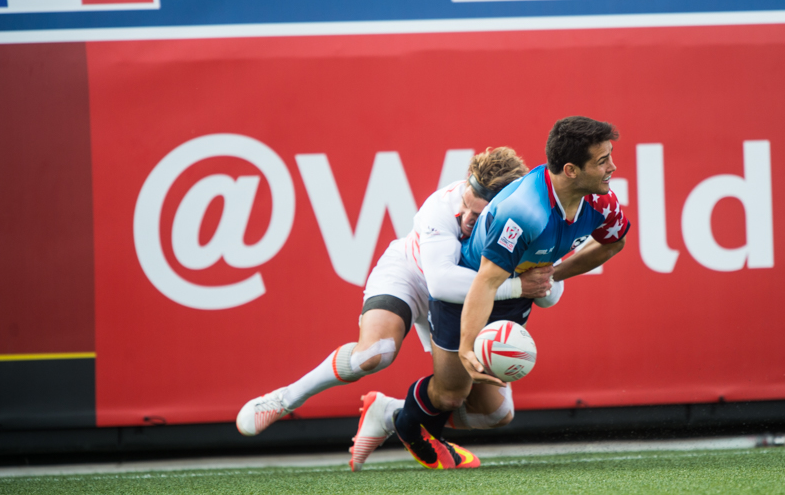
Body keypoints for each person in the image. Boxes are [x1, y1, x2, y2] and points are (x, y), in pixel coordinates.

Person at [235, 147, 563, 471]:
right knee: (375, 352)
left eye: (477, 217)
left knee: (495, 414)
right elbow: (440, 283)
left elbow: (551, 293)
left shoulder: (529, 220)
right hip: (412, 275)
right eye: (466, 205)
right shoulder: (440, 205)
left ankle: (391, 413)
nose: (465, 219)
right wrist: (521, 285)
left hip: (468, 297)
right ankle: (283, 400)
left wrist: (543, 280)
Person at [380, 116, 630, 469]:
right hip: (469, 291)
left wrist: (553, 274)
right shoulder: (524, 212)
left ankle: (403, 418)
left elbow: (613, 243)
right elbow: (485, 282)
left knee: (498, 412)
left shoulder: (601, 203)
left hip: (515, 290)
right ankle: (402, 423)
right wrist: (467, 348)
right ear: (571, 170)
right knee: (452, 393)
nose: (612, 167)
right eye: (602, 161)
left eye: (610, 156)